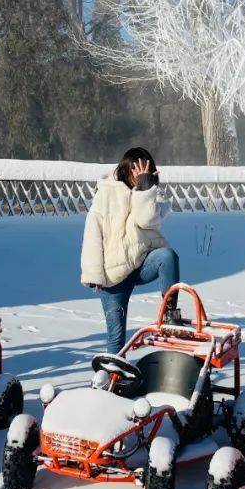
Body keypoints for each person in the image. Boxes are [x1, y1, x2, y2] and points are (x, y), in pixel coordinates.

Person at [81, 147, 181, 354]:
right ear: (127, 170)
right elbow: (92, 234)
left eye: (145, 170)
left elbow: (147, 220)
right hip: (113, 275)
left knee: (167, 256)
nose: (140, 174)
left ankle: (169, 314)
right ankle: (111, 378)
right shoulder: (106, 192)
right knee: (116, 338)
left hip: (139, 264)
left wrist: (146, 189)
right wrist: (93, 275)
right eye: (137, 170)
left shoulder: (151, 194)